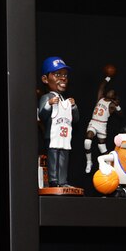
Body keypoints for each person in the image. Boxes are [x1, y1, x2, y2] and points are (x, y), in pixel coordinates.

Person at [38, 57, 79, 189]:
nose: (63, 78)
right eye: (57, 75)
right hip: (52, 135)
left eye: (65, 75)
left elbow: (76, 119)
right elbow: (42, 115)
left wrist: (73, 107)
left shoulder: (65, 100)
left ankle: (63, 181)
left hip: (64, 136)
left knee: (63, 159)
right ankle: (54, 181)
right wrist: (49, 105)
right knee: (53, 159)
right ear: (45, 79)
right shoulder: (47, 97)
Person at [84, 76, 121, 173]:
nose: (110, 92)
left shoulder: (112, 105)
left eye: (112, 92)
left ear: (113, 96)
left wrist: (117, 107)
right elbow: (101, 87)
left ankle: (109, 164)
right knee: (87, 141)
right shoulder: (100, 98)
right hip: (93, 122)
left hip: (102, 126)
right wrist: (108, 77)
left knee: (102, 148)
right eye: (109, 91)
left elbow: (121, 115)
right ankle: (89, 162)